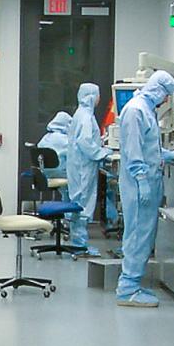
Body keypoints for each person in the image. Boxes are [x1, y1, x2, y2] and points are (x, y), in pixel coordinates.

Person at [116, 70, 174, 308]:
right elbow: (133, 151)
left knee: (143, 234)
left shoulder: (146, 110)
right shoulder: (135, 111)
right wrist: (142, 179)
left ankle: (132, 281)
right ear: (158, 90)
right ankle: (127, 289)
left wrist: (167, 155)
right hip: (139, 183)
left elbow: (147, 147)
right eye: (166, 95)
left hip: (147, 179)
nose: (166, 101)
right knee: (137, 235)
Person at [65, 82, 112, 256]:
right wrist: (101, 153)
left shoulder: (81, 114)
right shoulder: (85, 117)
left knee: (79, 201)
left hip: (78, 165)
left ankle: (79, 242)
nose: (99, 99)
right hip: (83, 167)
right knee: (82, 203)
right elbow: (85, 142)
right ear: (92, 96)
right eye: (98, 95)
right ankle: (80, 245)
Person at [36, 111, 72, 200]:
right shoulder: (65, 140)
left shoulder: (45, 138)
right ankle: (71, 209)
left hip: (45, 174)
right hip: (61, 174)